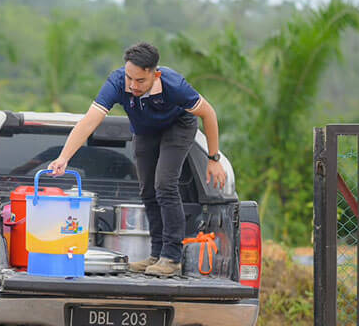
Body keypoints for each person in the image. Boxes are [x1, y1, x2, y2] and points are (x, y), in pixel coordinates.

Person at [48, 42, 227, 277]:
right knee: (147, 189)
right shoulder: (116, 82)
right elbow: (90, 121)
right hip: (145, 131)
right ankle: (156, 254)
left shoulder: (174, 85)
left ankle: (172, 258)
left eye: (140, 81)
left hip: (178, 126)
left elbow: (208, 113)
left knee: (165, 184)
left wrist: (214, 158)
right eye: (129, 78)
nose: (132, 85)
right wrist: (64, 157)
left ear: (155, 75)